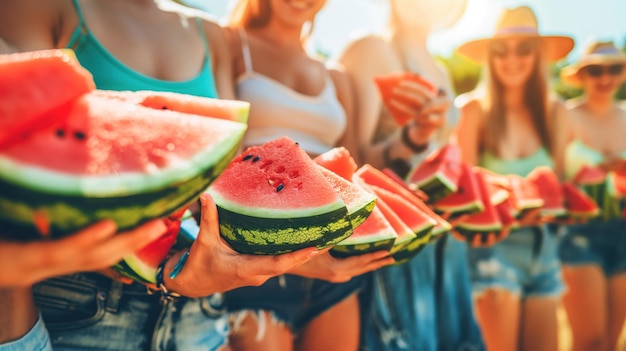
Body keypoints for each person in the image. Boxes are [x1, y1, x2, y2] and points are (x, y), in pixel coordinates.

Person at [0, 1, 325, 350]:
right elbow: (17, 155)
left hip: (196, 317)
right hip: (75, 305)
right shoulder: (38, 7)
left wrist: (300, 254)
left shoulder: (213, 35)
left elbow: (221, 177)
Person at [220, 0, 396, 350]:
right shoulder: (229, 44)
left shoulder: (337, 78)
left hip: (334, 259)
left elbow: (354, 169)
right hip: (258, 256)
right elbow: (222, 153)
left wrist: (412, 143)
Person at [336, 0, 486, 350]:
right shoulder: (371, 49)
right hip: (395, 240)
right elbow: (351, 161)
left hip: (444, 237)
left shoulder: (440, 69)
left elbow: (446, 160)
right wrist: (409, 138)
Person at [454, 6, 574, 351]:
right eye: (501, 50)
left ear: (537, 55)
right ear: (489, 57)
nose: (512, 59)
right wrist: (508, 198)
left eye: (524, 49)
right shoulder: (472, 110)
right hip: (493, 251)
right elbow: (466, 192)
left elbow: (559, 188)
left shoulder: (555, 113)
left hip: (545, 251)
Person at [558, 40, 626, 351]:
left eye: (614, 69)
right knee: (590, 341)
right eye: (595, 70)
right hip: (578, 232)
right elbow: (553, 175)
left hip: (622, 230)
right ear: (583, 75)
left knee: (612, 342)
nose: (605, 77)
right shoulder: (565, 116)